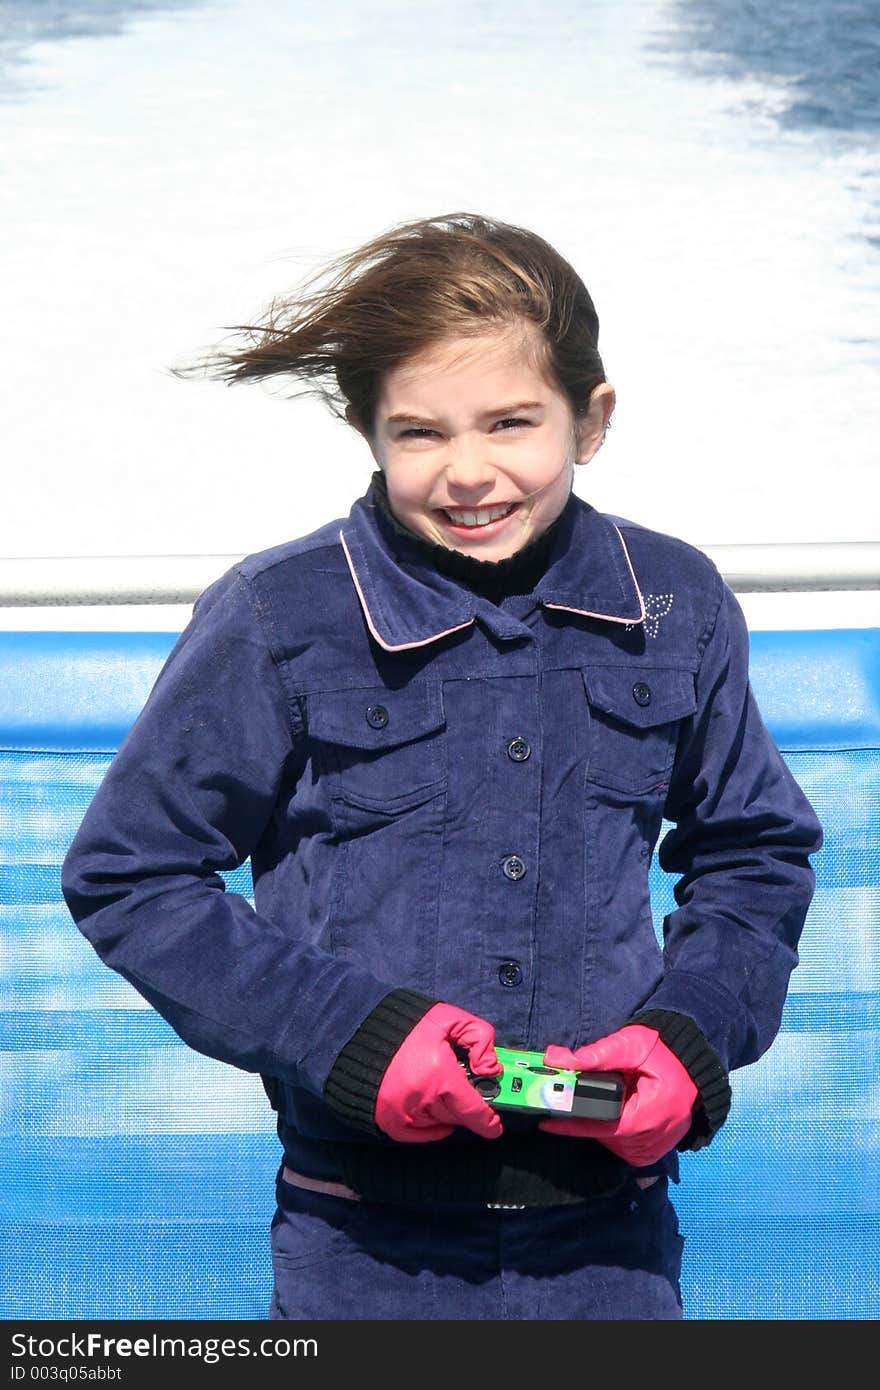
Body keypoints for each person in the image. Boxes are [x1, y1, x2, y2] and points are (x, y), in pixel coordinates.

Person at [61, 212, 823, 1321]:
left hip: (611, 1234)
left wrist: (688, 1036)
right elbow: (132, 875)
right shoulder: (278, 614)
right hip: (359, 1238)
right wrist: (350, 1034)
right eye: (419, 432)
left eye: (512, 422)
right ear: (368, 432)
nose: (469, 473)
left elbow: (754, 852)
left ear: (590, 418)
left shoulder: (679, 601)